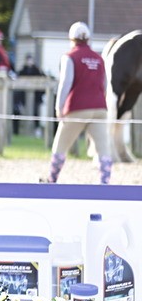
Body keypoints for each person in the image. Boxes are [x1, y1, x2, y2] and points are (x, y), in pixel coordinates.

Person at [47, 22, 112, 184]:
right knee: (103, 147)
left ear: (71, 39)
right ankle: (105, 181)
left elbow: (65, 84)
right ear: (88, 38)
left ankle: (52, 178)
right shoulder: (99, 59)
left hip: (77, 107)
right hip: (99, 107)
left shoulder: (69, 57)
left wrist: (59, 107)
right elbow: (104, 85)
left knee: (61, 145)